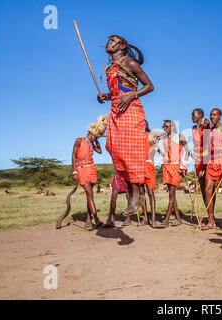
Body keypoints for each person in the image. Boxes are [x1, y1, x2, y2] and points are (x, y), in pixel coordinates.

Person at [97, 35, 154, 217]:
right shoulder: (110, 68)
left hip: (131, 110)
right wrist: (106, 96)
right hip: (115, 111)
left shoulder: (130, 63)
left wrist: (131, 96)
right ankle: (135, 192)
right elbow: (119, 90)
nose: (108, 42)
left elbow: (150, 86)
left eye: (113, 40)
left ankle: (136, 195)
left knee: (129, 152)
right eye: (108, 40)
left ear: (122, 45)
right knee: (114, 148)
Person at [72, 115, 107, 231]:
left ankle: (88, 219)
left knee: (90, 196)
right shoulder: (79, 140)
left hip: (91, 169)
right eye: (95, 136)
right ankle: (96, 219)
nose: (96, 138)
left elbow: (100, 151)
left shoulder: (92, 143)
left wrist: (96, 141)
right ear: (91, 134)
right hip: (81, 170)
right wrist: (74, 172)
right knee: (89, 195)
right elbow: (73, 156)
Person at [202, 108, 222, 230]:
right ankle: (211, 219)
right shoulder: (208, 131)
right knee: (207, 190)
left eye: (215, 115)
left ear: (220, 116)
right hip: (211, 162)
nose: (212, 117)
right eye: (211, 115)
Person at [157, 120, 190, 227]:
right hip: (166, 167)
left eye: (166, 127)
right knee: (172, 195)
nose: (164, 129)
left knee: (171, 194)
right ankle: (178, 219)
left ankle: (166, 220)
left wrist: (184, 165)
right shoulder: (166, 139)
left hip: (176, 167)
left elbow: (187, 151)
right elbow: (165, 156)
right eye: (163, 127)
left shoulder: (180, 136)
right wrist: (158, 150)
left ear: (172, 127)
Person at [143, 120, 165, 228]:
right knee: (141, 193)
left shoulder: (151, 136)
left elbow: (162, 135)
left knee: (150, 192)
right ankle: (146, 218)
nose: (143, 125)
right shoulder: (136, 137)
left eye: (145, 123)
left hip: (149, 165)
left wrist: (157, 141)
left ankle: (153, 219)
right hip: (139, 166)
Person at [191, 109, 210, 201]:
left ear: (200, 116)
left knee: (208, 186)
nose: (192, 117)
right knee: (202, 186)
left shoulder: (206, 126)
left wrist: (207, 123)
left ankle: (211, 214)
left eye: (194, 115)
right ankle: (208, 212)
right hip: (197, 158)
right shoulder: (194, 128)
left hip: (205, 156)